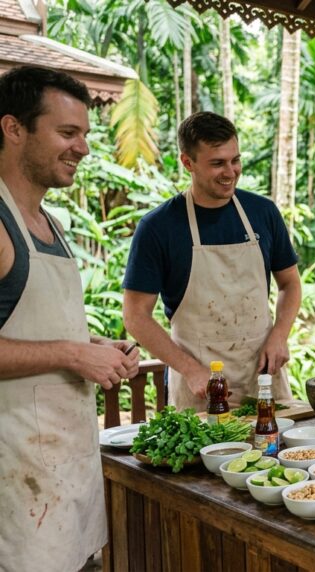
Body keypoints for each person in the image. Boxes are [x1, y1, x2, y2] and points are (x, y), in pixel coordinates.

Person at [0, 66, 140, 571]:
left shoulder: (51, 224)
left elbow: (33, 327)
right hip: (15, 491)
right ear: (13, 128)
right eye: (67, 133)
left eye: (84, 134)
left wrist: (95, 346)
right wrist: (70, 353)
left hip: (66, 478)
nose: (82, 148)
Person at [123, 112, 301, 410]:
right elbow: (135, 316)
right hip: (200, 390)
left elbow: (290, 284)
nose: (230, 171)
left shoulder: (263, 212)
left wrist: (280, 335)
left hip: (264, 378)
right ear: (187, 162)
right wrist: (190, 369)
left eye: (235, 160)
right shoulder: (158, 227)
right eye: (217, 163)